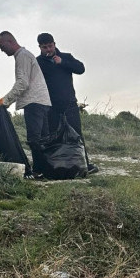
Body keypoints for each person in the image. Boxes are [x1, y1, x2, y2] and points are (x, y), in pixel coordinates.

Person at [35, 32, 97, 174]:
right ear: (40, 47)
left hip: (69, 104)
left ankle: (84, 164)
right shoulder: (38, 62)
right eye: (45, 47)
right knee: (52, 136)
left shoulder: (66, 57)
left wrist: (63, 63)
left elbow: (81, 69)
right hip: (50, 106)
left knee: (76, 133)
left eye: (50, 46)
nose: (48, 49)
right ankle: (56, 165)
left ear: (54, 44)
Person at [0, 31, 51, 179]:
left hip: (34, 101)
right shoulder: (23, 55)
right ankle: (47, 170)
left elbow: (23, 83)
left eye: (2, 46)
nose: (1, 49)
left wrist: (5, 101)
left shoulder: (22, 56)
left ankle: (39, 171)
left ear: (10, 42)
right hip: (42, 101)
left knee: (35, 139)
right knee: (44, 139)